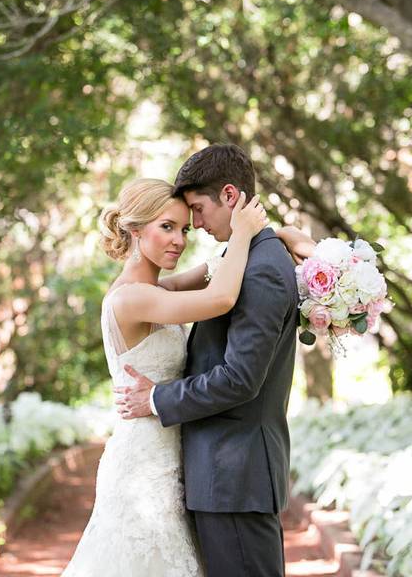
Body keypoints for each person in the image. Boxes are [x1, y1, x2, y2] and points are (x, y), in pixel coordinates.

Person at [63, 176, 270, 577]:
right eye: (167, 227)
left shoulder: (153, 288)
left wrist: (277, 239)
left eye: (185, 230)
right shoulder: (133, 297)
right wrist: (244, 233)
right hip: (143, 468)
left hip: (170, 457)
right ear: (136, 229)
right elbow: (221, 298)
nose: (179, 240)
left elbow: (209, 273)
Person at [115, 144, 304, 577]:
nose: (192, 228)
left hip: (233, 476)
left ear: (232, 197)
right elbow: (195, 287)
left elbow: (240, 378)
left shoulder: (259, 269)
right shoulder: (251, 259)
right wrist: (276, 235)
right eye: (174, 225)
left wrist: (158, 399)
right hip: (217, 475)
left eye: (196, 212)